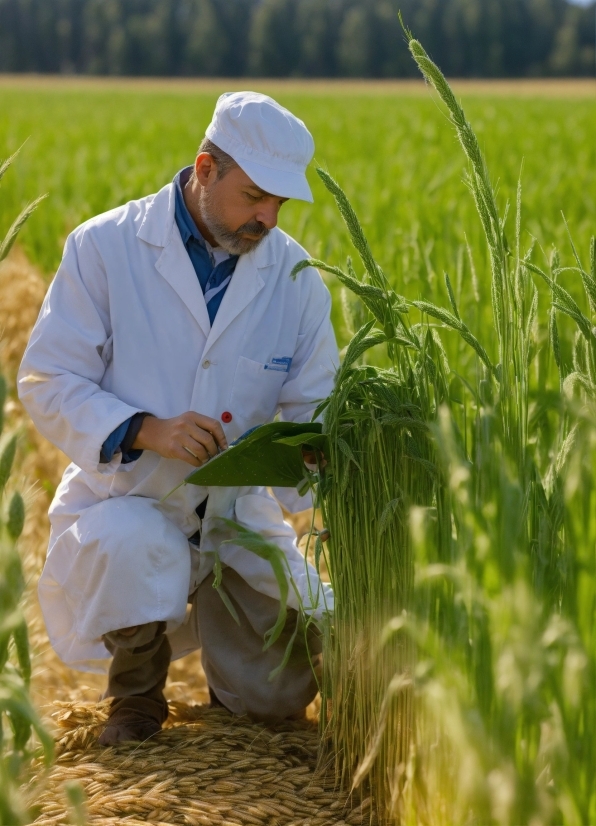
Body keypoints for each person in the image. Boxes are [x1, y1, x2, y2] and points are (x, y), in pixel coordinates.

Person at [18, 91, 338, 745]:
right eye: (255, 196)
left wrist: (315, 452)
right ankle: (136, 701)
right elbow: (47, 378)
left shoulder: (299, 279)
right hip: (130, 500)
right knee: (133, 546)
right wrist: (145, 429)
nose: (269, 218)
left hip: (237, 516)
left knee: (275, 696)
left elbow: (314, 409)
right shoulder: (104, 248)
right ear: (205, 168)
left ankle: (234, 681)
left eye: (280, 203)